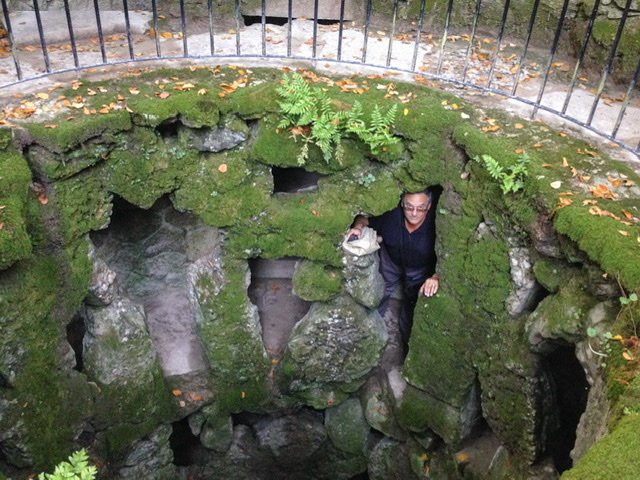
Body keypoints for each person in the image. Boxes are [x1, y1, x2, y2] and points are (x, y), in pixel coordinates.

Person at [347, 190, 439, 349]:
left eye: (421, 208)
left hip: (420, 268)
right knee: (381, 290)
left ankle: (406, 339)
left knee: (412, 301)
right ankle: (372, 329)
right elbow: (365, 219)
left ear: (429, 206)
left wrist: (436, 276)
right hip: (391, 259)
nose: (414, 213)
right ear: (402, 204)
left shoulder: (437, 225)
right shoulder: (392, 216)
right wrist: (358, 226)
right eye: (409, 207)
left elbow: (449, 254)